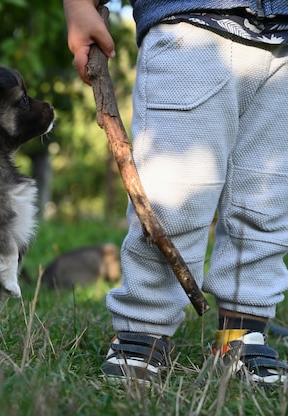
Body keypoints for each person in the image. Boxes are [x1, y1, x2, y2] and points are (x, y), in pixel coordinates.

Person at [64, 0, 288, 385]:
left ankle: (241, 334)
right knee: (173, 195)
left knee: (266, 199)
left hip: (283, 43)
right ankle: (143, 328)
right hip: (190, 24)